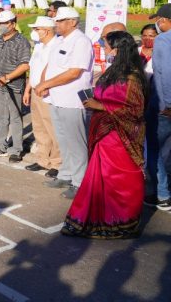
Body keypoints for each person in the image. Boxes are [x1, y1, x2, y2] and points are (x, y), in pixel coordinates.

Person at [61, 31, 147, 238]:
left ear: (117, 49)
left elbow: (135, 109)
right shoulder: (114, 71)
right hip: (104, 134)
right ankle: (92, 218)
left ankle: (121, 221)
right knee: (99, 179)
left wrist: (99, 105)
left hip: (119, 137)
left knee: (117, 179)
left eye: (107, 45)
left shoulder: (133, 76)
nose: (104, 48)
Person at [35, 7, 94, 199]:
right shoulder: (60, 40)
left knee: (76, 143)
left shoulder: (81, 42)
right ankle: (66, 175)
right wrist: (43, 83)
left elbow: (74, 72)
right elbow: (49, 66)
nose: (57, 24)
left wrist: (47, 83)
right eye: (57, 21)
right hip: (56, 98)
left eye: (61, 21)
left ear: (73, 22)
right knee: (64, 140)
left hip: (72, 100)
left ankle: (79, 182)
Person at [0, 10, 30, 162]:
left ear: (12, 24)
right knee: (2, 117)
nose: (1, 26)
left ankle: (16, 150)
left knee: (15, 117)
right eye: (0, 23)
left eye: (4, 23)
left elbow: (25, 65)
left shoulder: (22, 41)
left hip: (13, 86)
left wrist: (8, 77)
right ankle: (0, 147)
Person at [22, 17, 62, 177]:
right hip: (35, 91)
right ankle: (42, 160)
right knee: (39, 127)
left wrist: (44, 86)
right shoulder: (39, 46)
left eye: (37, 29)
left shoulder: (57, 46)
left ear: (46, 30)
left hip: (49, 92)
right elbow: (33, 69)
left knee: (52, 128)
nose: (34, 32)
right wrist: (27, 90)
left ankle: (57, 163)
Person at [148, 4, 171, 211]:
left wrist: (168, 104)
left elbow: (166, 73)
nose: (158, 24)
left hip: (164, 107)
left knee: (156, 148)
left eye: (160, 20)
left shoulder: (163, 40)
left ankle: (163, 194)